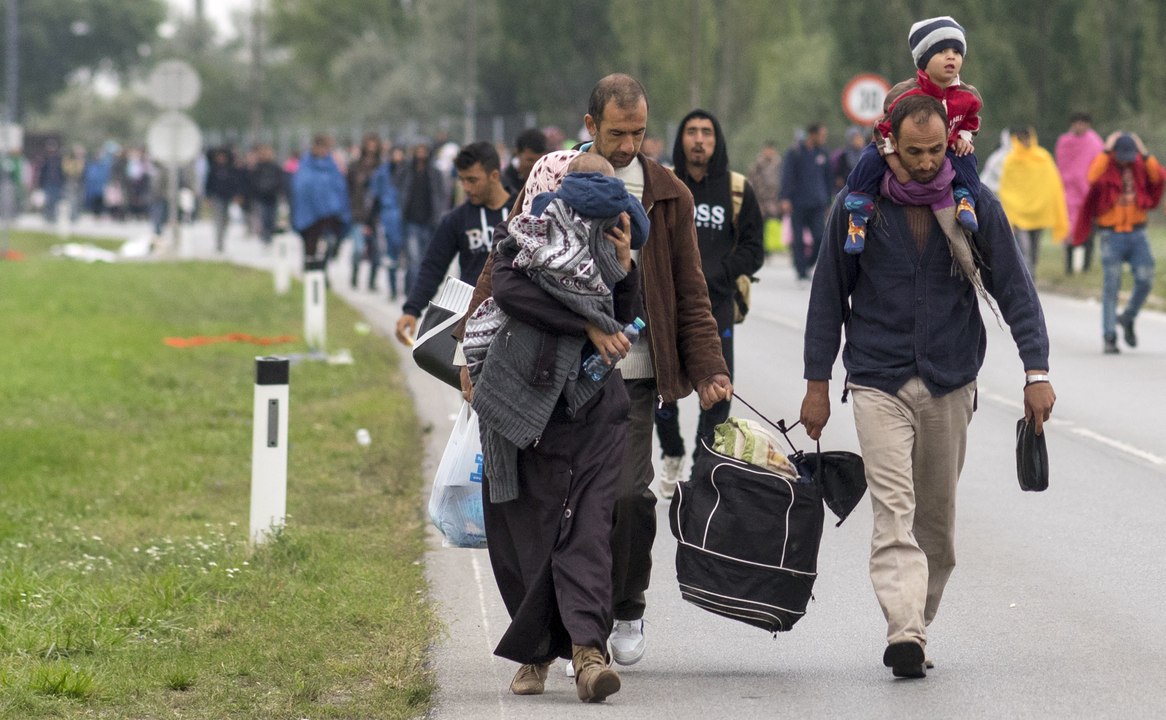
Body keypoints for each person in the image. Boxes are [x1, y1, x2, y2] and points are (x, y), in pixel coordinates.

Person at [456, 74, 730, 671]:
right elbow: (505, 260)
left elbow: (691, 289)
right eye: (617, 133)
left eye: (638, 132)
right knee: (559, 508)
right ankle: (576, 636)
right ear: (591, 128)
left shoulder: (667, 193)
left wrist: (709, 367)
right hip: (546, 377)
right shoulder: (552, 177)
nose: (629, 144)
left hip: (629, 375)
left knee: (628, 499)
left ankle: (625, 603)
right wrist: (468, 351)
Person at [800, 94, 1055, 680]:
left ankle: (918, 618)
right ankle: (904, 629)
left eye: (935, 150)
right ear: (888, 140)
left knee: (935, 525)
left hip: (949, 378)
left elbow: (1015, 289)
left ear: (951, 143)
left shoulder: (971, 203)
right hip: (876, 380)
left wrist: (1035, 372)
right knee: (894, 511)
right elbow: (827, 298)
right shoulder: (857, 205)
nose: (923, 161)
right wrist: (818, 384)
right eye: (912, 151)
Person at [464, 149, 644, 703]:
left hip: (592, 410)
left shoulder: (616, 245)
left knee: (587, 532)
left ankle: (590, 654)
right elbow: (510, 294)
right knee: (528, 538)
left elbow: (625, 311)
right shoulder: (529, 236)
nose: (603, 212)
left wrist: (626, 267)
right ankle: (536, 654)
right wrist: (587, 327)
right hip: (522, 409)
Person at [654, 109, 764, 498]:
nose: (699, 140)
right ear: (680, 139)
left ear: (717, 141)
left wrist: (718, 273)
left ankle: (703, 463)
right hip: (664, 306)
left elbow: (754, 250)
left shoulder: (737, 190)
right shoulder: (663, 183)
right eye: (691, 132)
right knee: (662, 387)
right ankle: (671, 452)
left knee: (718, 387)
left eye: (707, 133)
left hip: (715, 306)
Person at [843, 16, 982, 255]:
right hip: (896, 148)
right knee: (867, 161)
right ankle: (858, 217)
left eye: (956, 52)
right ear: (924, 60)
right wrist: (893, 161)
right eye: (942, 51)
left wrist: (965, 139)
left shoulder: (968, 95)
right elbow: (882, 129)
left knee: (968, 160)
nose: (951, 57)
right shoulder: (905, 94)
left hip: (946, 149)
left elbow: (972, 120)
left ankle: (966, 200)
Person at [394, 142, 513, 345]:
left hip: (514, 321)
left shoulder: (522, 211)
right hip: (472, 323)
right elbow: (433, 266)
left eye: (472, 180)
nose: (466, 188)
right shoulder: (456, 219)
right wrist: (412, 310)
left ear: (494, 175)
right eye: (462, 180)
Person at [1071, 132, 1162, 354]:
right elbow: (1091, 177)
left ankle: (1128, 317)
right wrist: (1105, 150)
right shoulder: (1105, 167)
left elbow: (1158, 176)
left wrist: (1144, 151)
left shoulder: (1139, 166)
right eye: (1121, 155)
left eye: (1130, 155)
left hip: (1138, 233)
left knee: (1145, 279)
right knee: (1111, 286)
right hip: (1111, 235)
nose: (1125, 160)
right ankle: (1109, 336)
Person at [998, 126, 1069, 274]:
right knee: (1025, 252)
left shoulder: (1042, 157)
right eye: (1021, 138)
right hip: (1019, 216)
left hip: (1039, 215)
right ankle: (1027, 285)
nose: (1025, 141)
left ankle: (1032, 282)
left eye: (1027, 137)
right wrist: (1011, 215)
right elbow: (1007, 189)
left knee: (1034, 253)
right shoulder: (1011, 161)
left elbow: (1053, 184)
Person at [395, 141, 450, 294]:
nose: (421, 154)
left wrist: (439, 216)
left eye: (423, 150)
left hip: (428, 221)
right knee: (413, 258)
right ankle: (412, 290)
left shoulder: (434, 173)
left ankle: (417, 288)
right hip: (411, 220)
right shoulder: (407, 170)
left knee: (423, 259)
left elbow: (442, 196)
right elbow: (399, 190)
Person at [1055, 112, 1105, 274]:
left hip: (1087, 193)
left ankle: (1086, 267)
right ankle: (1068, 267)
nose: (1079, 126)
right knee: (1069, 230)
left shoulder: (1095, 142)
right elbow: (1061, 163)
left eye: (1083, 123)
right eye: (1077, 123)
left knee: (1088, 231)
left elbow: (1100, 165)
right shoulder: (1064, 142)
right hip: (1068, 193)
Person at [780, 123, 831, 280]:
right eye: (821, 135)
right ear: (812, 134)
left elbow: (828, 179)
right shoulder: (795, 152)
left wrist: (828, 201)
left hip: (817, 203)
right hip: (798, 202)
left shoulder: (823, 154)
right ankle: (801, 270)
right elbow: (787, 176)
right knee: (798, 239)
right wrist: (785, 198)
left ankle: (808, 263)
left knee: (819, 237)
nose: (824, 139)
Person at [291, 134, 350, 269]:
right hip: (309, 216)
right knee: (310, 247)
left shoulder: (332, 166)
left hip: (329, 216)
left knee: (329, 244)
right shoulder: (306, 165)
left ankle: (323, 270)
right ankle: (310, 272)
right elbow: (300, 187)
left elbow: (339, 188)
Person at [346, 133, 385, 290]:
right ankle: (354, 275)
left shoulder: (382, 167)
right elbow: (349, 189)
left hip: (376, 214)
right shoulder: (355, 166)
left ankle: (371, 281)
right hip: (358, 213)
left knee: (377, 251)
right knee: (357, 249)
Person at [204, 146, 242, 253]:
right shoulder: (213, 170)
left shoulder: (231, 169)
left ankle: (222, 239)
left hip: (227, 197)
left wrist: (236, 195)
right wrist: (208, 197)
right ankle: (218, 242)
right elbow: (208, 185)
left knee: (225, 220)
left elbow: (235, 183)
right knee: (218, 219)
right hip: (217, 197)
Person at [249, 144, 285, 247]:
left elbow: (280, 180)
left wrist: (279, 191)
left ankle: (269, 235)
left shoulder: (275, 167)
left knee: (271, 218)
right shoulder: (258, 167)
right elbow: (252, 181)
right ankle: (265, 236)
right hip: (261, 196)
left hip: (272, 196)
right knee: (263, 217)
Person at [500, 128, 548, 195]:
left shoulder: (551, 180)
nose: (535, 166)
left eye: (540, 161)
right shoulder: (505, 185)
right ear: (518, 154)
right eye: (530, 160)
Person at [35, 140, 66, 224]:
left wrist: (62, 182)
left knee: (55, 201)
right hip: (47, 183)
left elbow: (62, 172)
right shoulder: (45, 159)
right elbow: (42, 172)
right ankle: (47, 216)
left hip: (56, 183)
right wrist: (40, 183)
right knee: (48, 201)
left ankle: (53, 217)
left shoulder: (58, 159)